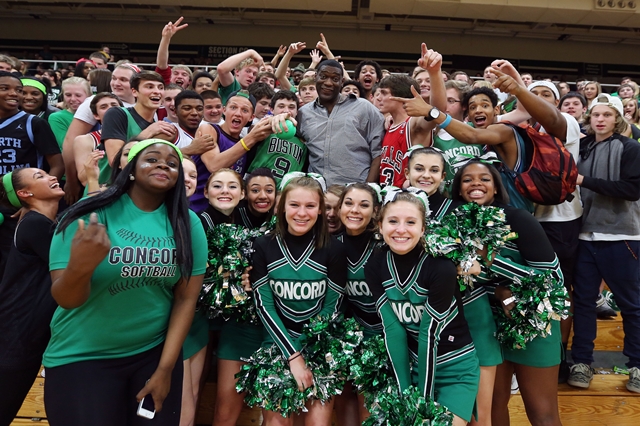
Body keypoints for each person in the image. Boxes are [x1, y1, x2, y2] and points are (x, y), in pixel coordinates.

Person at [43, 139, 207, 425]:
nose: (162, 165)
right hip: (84, 354)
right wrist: (81, 266)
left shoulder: (187, 223)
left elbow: (185, 298)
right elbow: (66, 299)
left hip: (151, 354)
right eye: (152, 159)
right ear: (129, 169)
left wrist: (166, 369)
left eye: (171, 163)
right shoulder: (89, 213)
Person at [449, 159, 563, 426]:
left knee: (542, 414)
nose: (476, 183)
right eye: (467, 179)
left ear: (497, 188)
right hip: (486, 327)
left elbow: (553, 279)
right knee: (491, 410)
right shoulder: (453, 226)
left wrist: (496, 266)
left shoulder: (517, 219)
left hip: (531, 325)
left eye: (484, 179)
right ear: (458, 189)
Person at [365, 189, 479, 426]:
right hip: (414, 364)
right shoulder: (375, 264)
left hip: (455, 368)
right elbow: (393, 330)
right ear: (380, 225)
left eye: (411, 222)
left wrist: (421, 406)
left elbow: (429, 334)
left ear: (423, 228)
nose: (401, 229)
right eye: (393, 221)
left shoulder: (440, 266)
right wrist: (405, 397)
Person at [251, 174, 347, 426]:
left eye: (310, 206)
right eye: (294, 205)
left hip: (318, 345)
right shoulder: (263, 245)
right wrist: (293, 356)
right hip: (276, 343)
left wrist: (306, 351)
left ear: (320, 210)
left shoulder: (334, 249)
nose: (301, 213)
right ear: (282, 207)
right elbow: (264, 305)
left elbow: (331, 307)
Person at [569, 94, 640, 395]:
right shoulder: (582, 147)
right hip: (586, 236)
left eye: (606, 115)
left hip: (622, 236)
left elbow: (632, 189)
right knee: (583, 303)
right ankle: (582, 363)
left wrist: (583, 181)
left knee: (632, 307)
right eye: (595, 114)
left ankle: (637, 366)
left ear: (617, 118)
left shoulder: (630, 147)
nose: (600, 120)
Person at [0, 167, 64, 425]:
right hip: (15, 336)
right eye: (40, 176)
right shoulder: (35, 224)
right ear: (24, 193)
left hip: (22, 336)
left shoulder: (39, 222)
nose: (51, 176)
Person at [0, 71, 64, 278]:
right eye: (5, 89)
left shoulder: (33, 123)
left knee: (10, 264)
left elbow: (57, 164)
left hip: (17, 205)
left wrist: (32, 203)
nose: (14, 94)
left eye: (18, 90)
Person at [61, 62, 139, 205]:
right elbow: (69, 143)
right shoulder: (91, 104)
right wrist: (71, 182)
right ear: (95, 114)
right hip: (99, 193)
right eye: (114, 78)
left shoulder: (142, 107)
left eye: (123, 80)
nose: (116, 83)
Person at [297, 59, 384, 186]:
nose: (328, 83)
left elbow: (378, 154)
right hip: (318, 193)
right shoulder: (303, 113)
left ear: (342, 82)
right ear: (316, 77)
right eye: (323, 76)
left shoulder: (364, 108)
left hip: (354, 193)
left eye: (335, 78)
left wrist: (367, 188)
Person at [337, 182, 382, 423]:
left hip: (383, 337)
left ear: (375, 212)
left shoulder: (384, 245)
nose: (355, 210)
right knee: (344, 395)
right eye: (349, 203)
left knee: (369, 405)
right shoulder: (333, 245)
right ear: (340, 207)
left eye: (364, 205)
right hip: (350, 333)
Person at [190, 90, 274, 212]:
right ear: (224, 110)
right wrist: (251, 138)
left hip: (225, 214)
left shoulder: (248, 142)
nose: (238, 113)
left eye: (245, 110)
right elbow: (214, 166)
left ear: (251, 117)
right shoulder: (209, 129)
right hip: (196, 209)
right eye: (233, 107)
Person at [377, 44, 446, 187]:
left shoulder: (413, 124)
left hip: (409, 201)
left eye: (384, 93)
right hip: (388, 198)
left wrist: (434, 72)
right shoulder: (389, 124)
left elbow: (437, 112)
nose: (378, 98)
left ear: (400, 97)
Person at [101, 70, 177, 164]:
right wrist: (148, 132)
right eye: (149, 87)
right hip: (111, 178)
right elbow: (114, 160)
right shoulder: (116, 114)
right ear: (134, 92)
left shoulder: (157, 126)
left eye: (160, 88)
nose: (157, 91)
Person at [246, 90, 307, 185]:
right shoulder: (262, 129)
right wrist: (271, 120)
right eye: (281, 106)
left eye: (291, 107)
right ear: (272, 109)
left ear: (296, 112)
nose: (286, 111)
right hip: (256, 188)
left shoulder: (303, 141)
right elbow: (252, 130)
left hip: (284, 194)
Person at [72, 93, 122, 189]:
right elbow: (84, 180)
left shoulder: (133, 135)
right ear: (96, 115)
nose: (110, 109)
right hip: (98, 195)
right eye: (103, 107)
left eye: (114, 105)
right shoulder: (85, 140)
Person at [48, 77, 92, 149]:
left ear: (89, 96)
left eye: (78, 95)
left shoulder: (97, 115)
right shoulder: (57, 118)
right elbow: (66, 147)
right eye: (68, 95)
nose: (73, 99)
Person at [155, 17, 192, 90]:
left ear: (189, 82)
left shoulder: (193, 97)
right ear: (169, 78)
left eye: (184, 74)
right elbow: (162, 64)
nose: (179, 76)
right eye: (175, 73)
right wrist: (166, 38)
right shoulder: (165, 87)